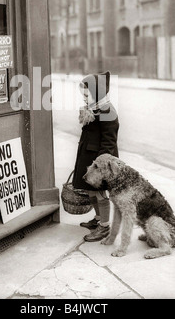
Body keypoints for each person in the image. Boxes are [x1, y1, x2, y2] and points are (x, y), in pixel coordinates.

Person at [72, 71, 119, 242]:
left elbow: (109, 143)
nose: (84, 98)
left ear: (97, 93)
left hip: (100, 162)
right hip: (88, 157)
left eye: (86, 95)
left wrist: (99, 167)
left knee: (99, 193)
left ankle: (104, 226)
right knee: (90, 191)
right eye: (82, 95)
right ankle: (98, 219)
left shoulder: (108, 111)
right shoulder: (95, 108)